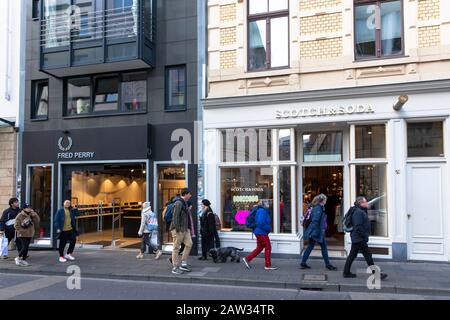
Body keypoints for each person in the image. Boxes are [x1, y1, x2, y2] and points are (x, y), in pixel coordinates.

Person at [343, 196, 388, 280]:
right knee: (368, 256)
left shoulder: (361, 211)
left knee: (352, 256)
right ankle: (376, 274)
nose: (367, 203)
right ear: (361, 203)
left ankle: (346, 272)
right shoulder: (358, 212)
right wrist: (364, 236)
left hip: (357, 238)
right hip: (359, 238)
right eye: (365, 202)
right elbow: (358, 226)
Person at [300, 194, 337, 271]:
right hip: (316, 231)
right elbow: (315, 221)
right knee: (323, 247)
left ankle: (303, 263)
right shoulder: (318, 208)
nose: (326, 201)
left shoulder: (318, 207)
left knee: (310, 246)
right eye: (325, 199)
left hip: (316, 231)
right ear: (322, 200)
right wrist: (316, 233)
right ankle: (328, 265)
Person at [242, 201, 278, 271]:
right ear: (265, 205)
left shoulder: (260, 210)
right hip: (261, 232)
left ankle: (247, 259)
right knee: (268, 247)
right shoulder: (262, 211)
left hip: (259, 232)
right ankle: (267, 265)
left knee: (260, 247)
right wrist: (269, 228)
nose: (269, 205)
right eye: (268, 204)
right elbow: (260, 223)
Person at [170, 188, 193, 275]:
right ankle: (175, 267)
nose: (190, 196)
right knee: (176, 248)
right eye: (189, 194)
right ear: (186, 194)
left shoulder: (185, 203)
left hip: (185, 229)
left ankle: (183, 263)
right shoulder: (178, 203)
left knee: (189, 244)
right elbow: (175, 217)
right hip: (178, 229)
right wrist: (178, 229)